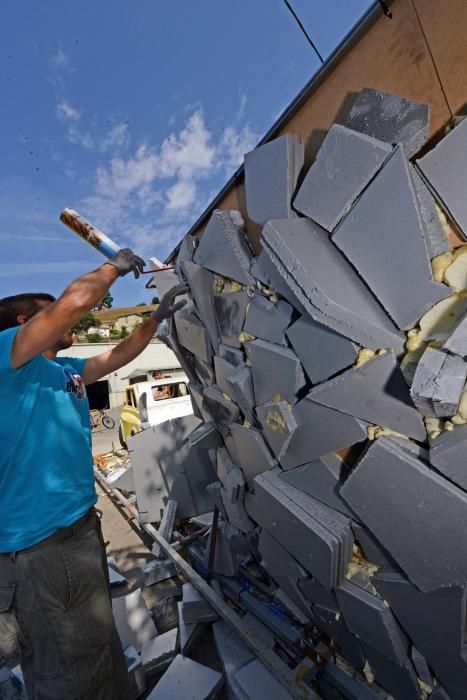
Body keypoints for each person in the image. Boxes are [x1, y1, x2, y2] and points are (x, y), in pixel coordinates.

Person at [0, 248, 187, 699]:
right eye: (51, 315)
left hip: (78, 529)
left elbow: (120, 355)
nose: (68, 322)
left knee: (98, 646)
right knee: (68, 666)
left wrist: (157, 317)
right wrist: (111, 269)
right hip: (41, 543)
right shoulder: (8, 356)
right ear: (24, 322)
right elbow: (74, 304)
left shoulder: (64, 369)